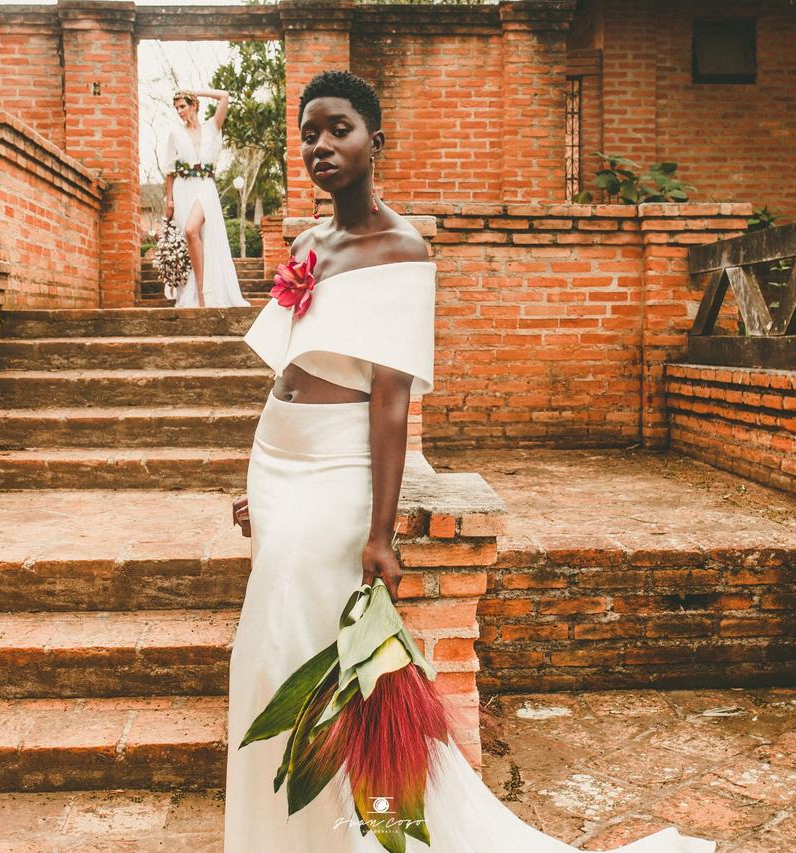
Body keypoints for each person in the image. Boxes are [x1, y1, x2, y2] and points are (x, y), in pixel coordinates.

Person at [225, 69, 714, 853]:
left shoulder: (402, 248)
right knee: (272, 652)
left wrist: (381, 533)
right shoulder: (309, 244)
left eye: (338, 128)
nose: (320, 145)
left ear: (375, 141)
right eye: (309, 131)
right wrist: (260, 482)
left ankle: (369, 836)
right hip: (277, 467)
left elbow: (389, 399)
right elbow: (290, 364)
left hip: (336, 477)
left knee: (322, 664)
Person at [161, 88, 250, 308]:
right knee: (191, 236)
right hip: (183, 188)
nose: (180, 111)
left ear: (194, 105)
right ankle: (196, 292)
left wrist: (196, 91)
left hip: (205, 186)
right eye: (177, 108)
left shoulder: (212, 127)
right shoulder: (175, 133)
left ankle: (204, 293)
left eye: (183, 106)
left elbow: (225, 96)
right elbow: (170, 170)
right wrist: (169, 200)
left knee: (192, 229)